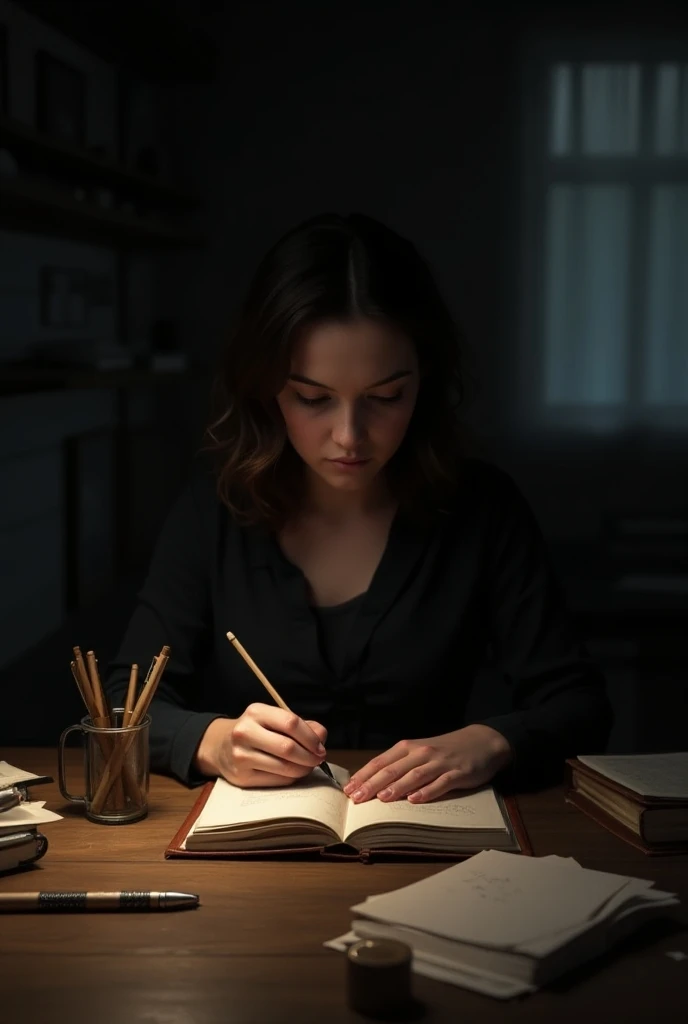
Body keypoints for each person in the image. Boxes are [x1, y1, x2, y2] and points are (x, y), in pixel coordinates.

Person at [105, 212, 611, 805]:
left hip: (433, 855)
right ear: (267, 389)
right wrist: (212, 741)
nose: (350, 435)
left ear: (425, 383)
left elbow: (580, 706)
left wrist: (492, 740)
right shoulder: (216, 508)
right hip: (253, 864)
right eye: (313, 398)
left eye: (386, 397)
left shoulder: (482, 509)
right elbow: (122, 701)